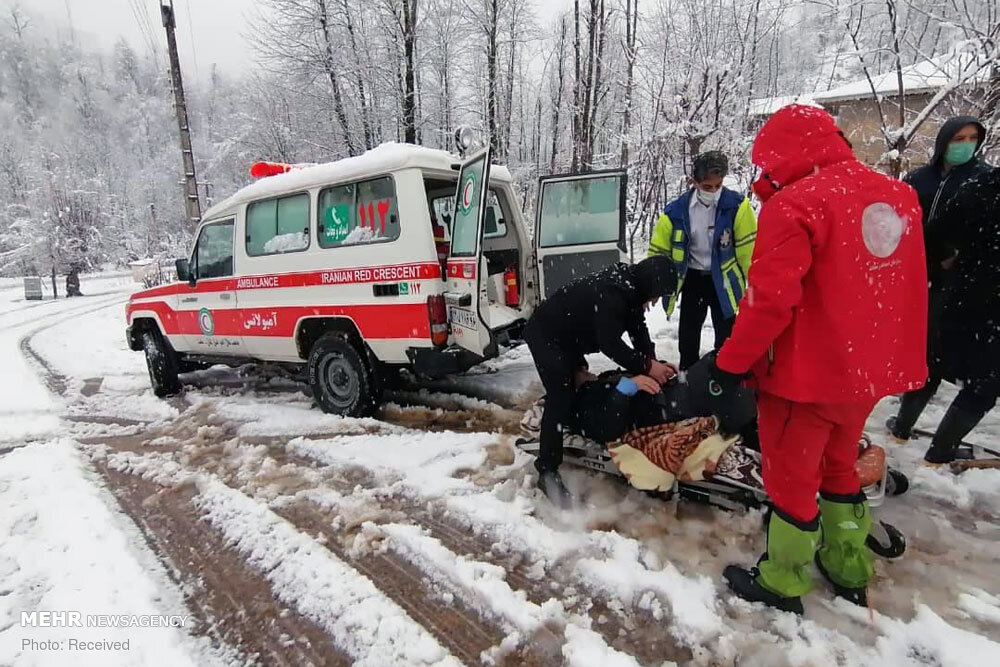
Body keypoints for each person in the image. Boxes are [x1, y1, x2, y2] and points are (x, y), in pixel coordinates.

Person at [706, 105, 927, 613]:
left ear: (783, 154)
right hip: (867, 372)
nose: (766, 178)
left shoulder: (799, 203)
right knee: (838, 466)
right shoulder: (899, 197)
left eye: (768, 166)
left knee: (792, 480)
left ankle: (783, 580)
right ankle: (848, 563)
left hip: (805, 376)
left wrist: (731, 363)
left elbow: (768, 305)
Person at [523, 256, 678, 507]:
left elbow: (639, 331)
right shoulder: (614, 293)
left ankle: (571, 402)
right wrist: (648, 367)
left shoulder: (632, 291)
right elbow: (610, 344)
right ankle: (547, 470)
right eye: (657, 295)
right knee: (561, 395)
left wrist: (653, 364)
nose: (655, 301)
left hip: (568, 337)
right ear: (651, 284)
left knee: (573, 382)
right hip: (546, 334)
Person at [887, 116, 989, 441]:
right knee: (910, 346)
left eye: (973, 138)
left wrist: (962, 255)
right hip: (912, 272)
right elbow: (894, 220)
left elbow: (986, 234)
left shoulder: (983, 180)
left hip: (955, 279)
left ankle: (909, 426)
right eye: (958, 138)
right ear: (944, 141)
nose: (966, 144)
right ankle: (900, 413)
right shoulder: (919, 178)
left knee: (933, 352)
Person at [917, 166, 1000, 464]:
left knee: (934, 363)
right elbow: (934, 236)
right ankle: (940, 450)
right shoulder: (979, 189)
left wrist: (952, 261)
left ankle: (904, 430)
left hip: (962, 295)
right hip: (975, 301)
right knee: (985, 384)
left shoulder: (978, 187)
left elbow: (934, 235)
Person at [648, 151, 757, 370]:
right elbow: (660, 252)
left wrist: (755, 285)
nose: (714, 192)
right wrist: (653, 285)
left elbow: (749, 250)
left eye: (719, 186)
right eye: (708, 187)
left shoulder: (737, 207)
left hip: (724, 281)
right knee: (688, 336)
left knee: (726, 336)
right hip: (693, 279)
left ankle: (723, 379)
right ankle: (687, 379)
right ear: (695, 182)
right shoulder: (675, 212)